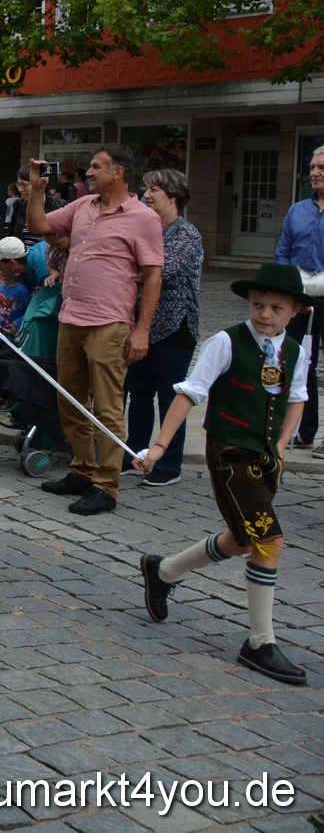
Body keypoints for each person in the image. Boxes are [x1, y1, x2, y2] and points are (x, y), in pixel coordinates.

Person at [135, 262, 320, 686]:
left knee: (243, 539)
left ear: (296, 311)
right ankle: (259, 642)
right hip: (231, 454)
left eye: (276, 307)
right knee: (269, 541)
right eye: (257, 305)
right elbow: (189, 394)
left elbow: (297, 397)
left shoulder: (296, 350)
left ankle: (162, 570)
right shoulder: (226, 341)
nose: (264, 315)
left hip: (266, 457)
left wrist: (284, 441)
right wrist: (160, 447)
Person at [27, 145, 164, 516]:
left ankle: (106, 485)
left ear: (118, 172)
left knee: (107, 408)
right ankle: (83, 469)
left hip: (110, 324)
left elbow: (153, 276)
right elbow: (39, 227)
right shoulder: (84, 207)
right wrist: (38, 192)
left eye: (96, 166)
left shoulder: (143, 218)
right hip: (71, 319)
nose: (89, 172)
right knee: (69, 401)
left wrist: (142, 332)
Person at [121, 167, 203, 487]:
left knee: (171, 399)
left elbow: (158, 271)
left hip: (174, 327)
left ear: (172, 196)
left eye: (153, 190)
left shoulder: (185, 233)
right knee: (139, 395)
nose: (145, 195)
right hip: (141, 324)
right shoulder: (147, 229)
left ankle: (169, 464)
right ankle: (135, 454)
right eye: (146, 188)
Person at [274, 144, 324, 450]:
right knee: (298, 363)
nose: (315, 173)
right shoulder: (297, 210)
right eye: (313, 169)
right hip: (300, 299)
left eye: (322, 169)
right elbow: (283, 254)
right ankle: (302, 430)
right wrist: (291, 292)